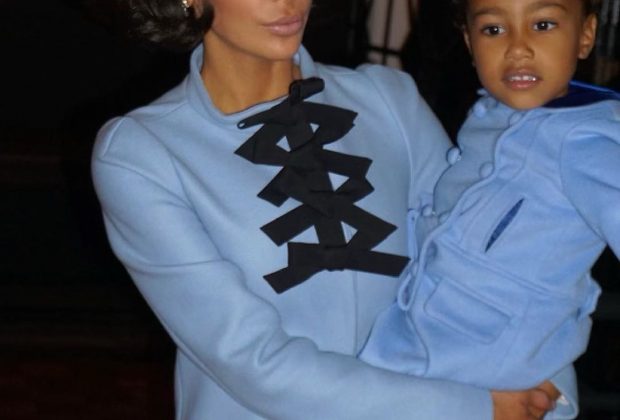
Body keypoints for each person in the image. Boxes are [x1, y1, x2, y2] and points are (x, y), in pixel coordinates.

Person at [91, 0, 563, 418]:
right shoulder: (143, 153)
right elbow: (249, 359)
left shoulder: (388, 100)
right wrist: (469, 409)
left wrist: (547, 389)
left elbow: (486, 262)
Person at [359, 0, 619, 418]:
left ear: (585, 36)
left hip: (490, 366)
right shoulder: (493, 114)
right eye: (493, 30)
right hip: (425, 344)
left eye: (543, 25)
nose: (518, 48)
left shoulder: (586, 141)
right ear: (469, 42)